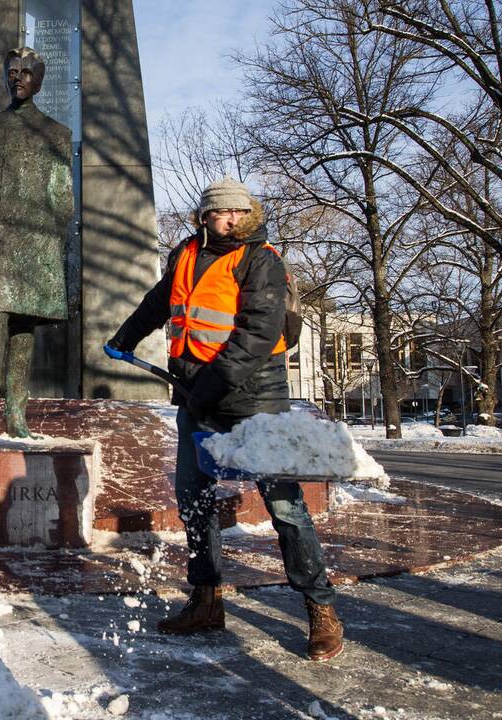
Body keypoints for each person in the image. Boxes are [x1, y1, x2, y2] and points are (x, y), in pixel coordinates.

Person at [107, 177, 343, 661]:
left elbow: (257, 334)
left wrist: (207, 392)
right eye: (223, 213)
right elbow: (159, 301)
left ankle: (320, 607)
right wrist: (125, 337)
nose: (233, 220)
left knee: (284, 505)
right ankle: (207, 599)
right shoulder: (187, 254)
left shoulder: (261, 260)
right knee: (193, 498)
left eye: (241, 212)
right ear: (204, 216)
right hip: (197, 394)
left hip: (255, 396)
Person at [0, 46, 74, 442]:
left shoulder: (57, 134)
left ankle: (18, 415)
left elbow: (63, 198)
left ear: (38, 79)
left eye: (26, 72)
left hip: (36, 245)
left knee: (23, 331)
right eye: (12, 71)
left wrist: (49, 239)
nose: (18, 77)